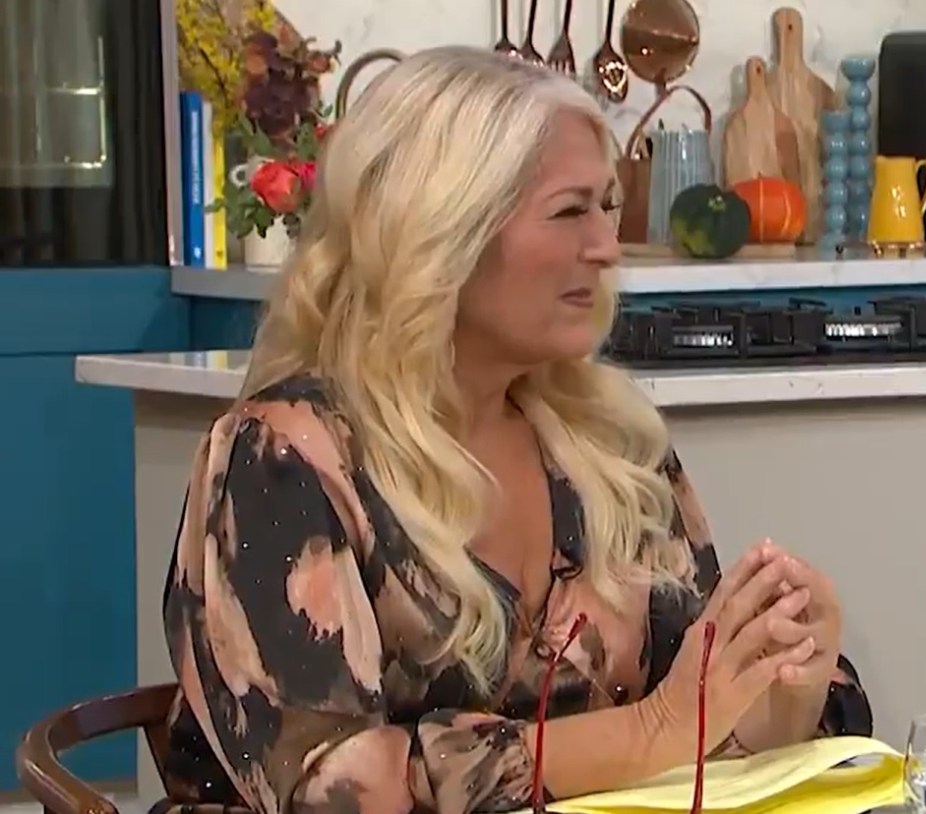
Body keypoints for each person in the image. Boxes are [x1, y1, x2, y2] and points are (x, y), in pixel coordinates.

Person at [158, 46, 871, 814]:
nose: (605, 246)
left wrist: (774, 694)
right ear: (440, 235)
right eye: (570, 211)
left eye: (607, 206)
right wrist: (653, 730)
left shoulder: (611, 445)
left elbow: (696, 719)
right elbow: (332, 789)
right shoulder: (282, 460)